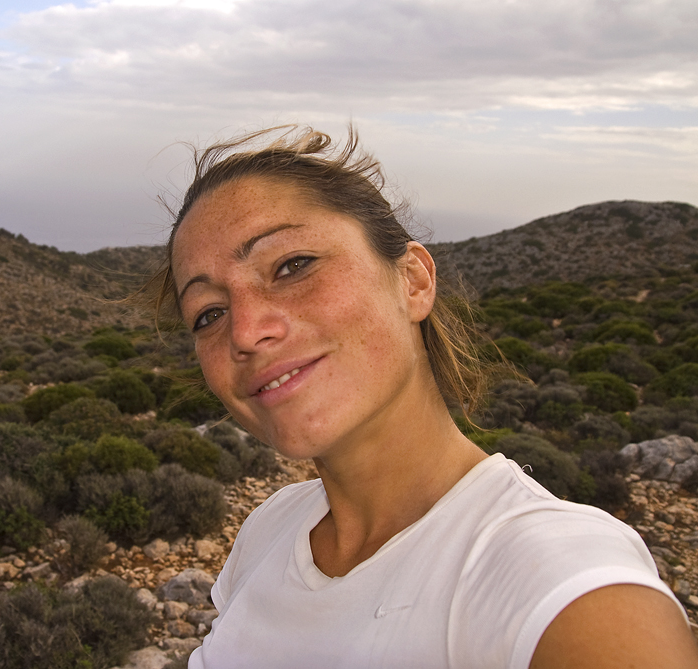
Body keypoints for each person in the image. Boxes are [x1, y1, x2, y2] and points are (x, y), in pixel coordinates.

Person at [142, 126, 698, 668]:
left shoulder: (549, 572)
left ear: (413, 280)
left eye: (292, 266)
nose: (244, 332)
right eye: (209, 314)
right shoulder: (270, 528)